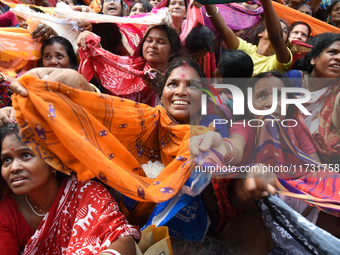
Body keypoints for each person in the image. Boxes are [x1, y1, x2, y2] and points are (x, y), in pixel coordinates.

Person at [0, 123, 141, 254]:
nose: (13, 168)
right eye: (6, 159)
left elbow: (123, 240)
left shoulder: (87, 194)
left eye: (26, 155)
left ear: (53, 161)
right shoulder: (6, 213)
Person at [77, 24, 182, 106]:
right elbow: (107, 62)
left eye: (160, 42)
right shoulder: (130, 65)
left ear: (173, 51)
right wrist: (92, 43)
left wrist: (162, 88)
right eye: (149, 40)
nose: (153, 45)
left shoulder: (181, 74)